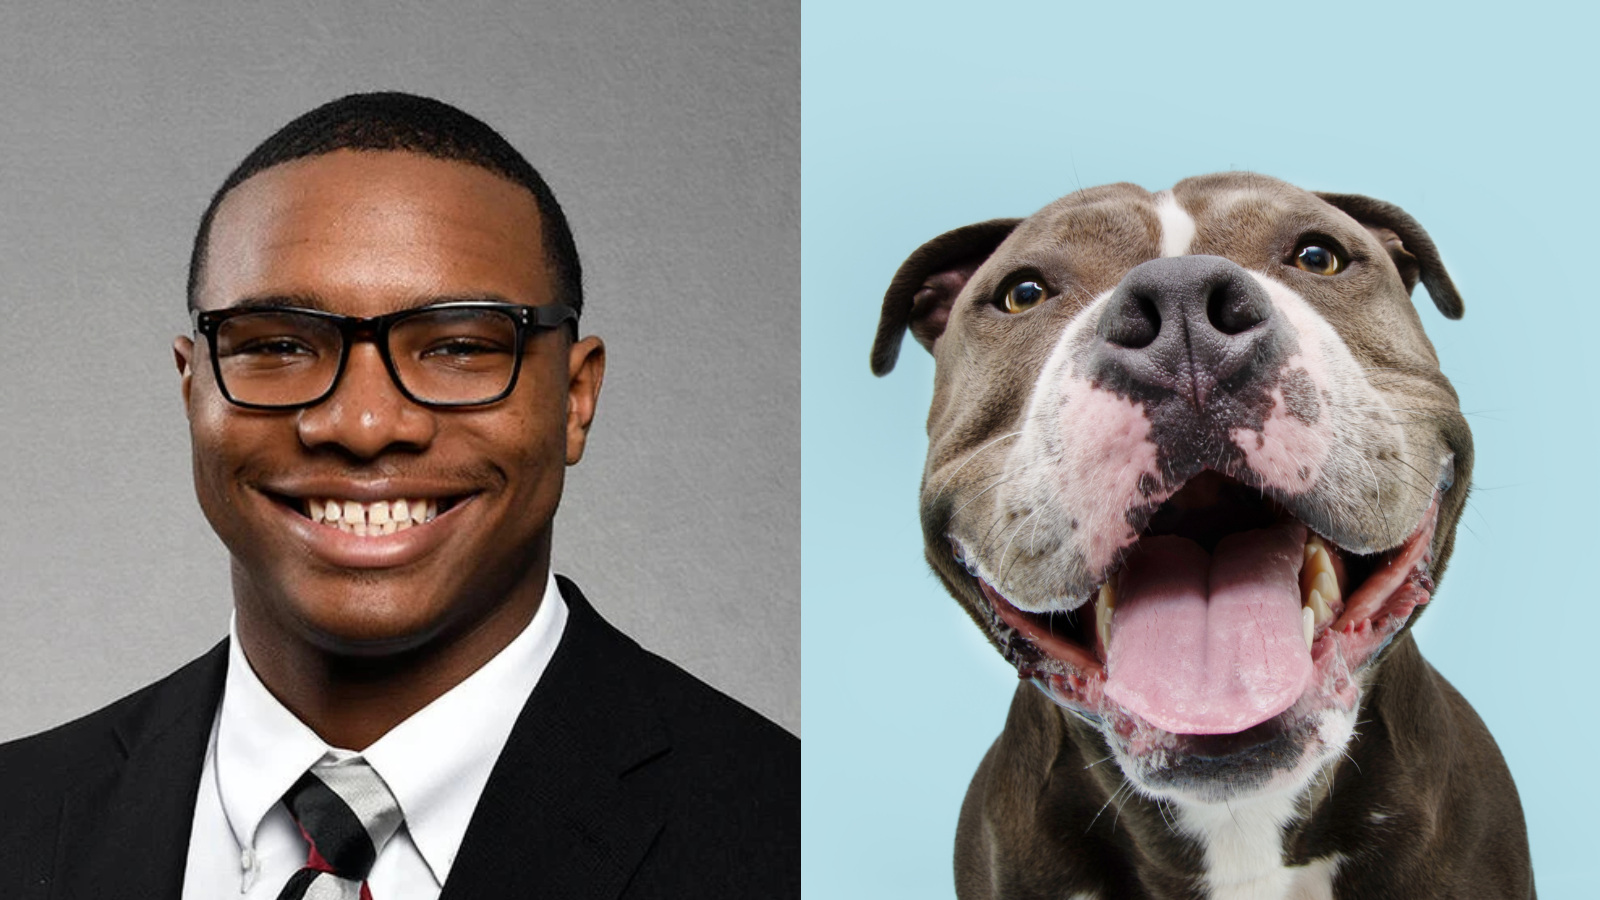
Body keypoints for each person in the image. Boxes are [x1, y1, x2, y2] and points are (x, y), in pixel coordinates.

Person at [0, 92, 798, 899]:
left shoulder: (804, 843)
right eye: (280, 344)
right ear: (191, 389)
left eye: (459, 346)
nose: (364, 423)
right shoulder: (19, 816)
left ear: (574, 399)